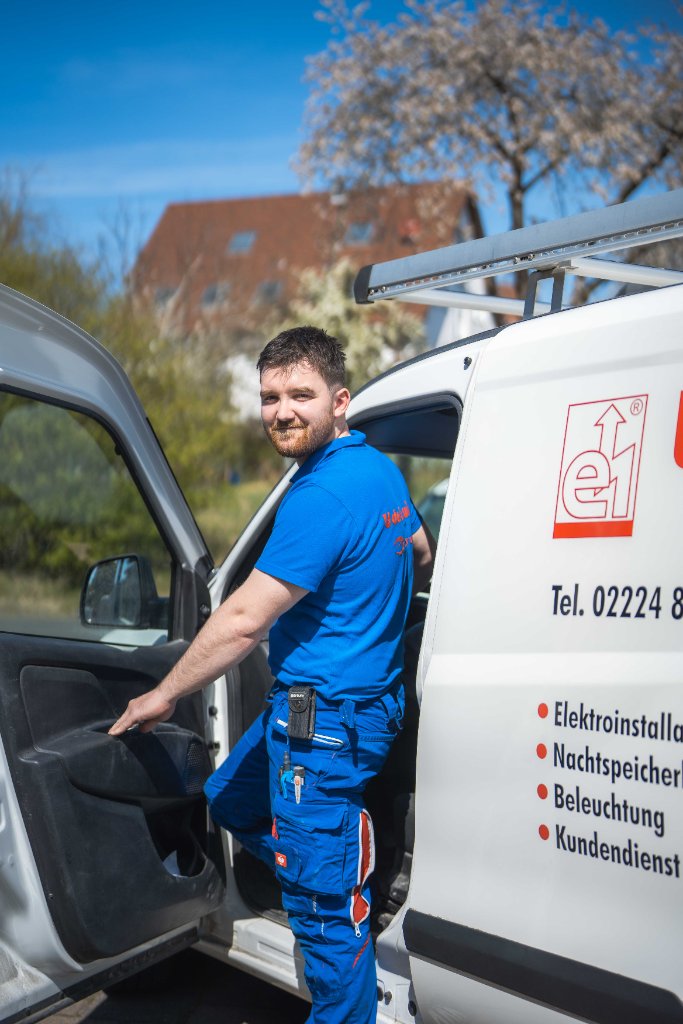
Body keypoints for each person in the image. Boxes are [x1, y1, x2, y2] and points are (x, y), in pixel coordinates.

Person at [109, 326, 435, 1024]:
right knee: (229, 798)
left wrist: (164, 694)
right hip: (354, 710)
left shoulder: (318, 496)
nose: (282, 411)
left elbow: (241, 622)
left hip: (324, 728)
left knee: (326, 924)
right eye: (270, 397)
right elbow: (418, 548)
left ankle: (333, 892)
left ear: (339, 401)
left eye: (300, 395)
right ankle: (335, 866)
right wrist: (368, 605)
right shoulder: (377, 470)